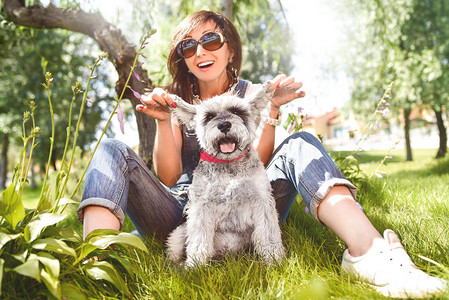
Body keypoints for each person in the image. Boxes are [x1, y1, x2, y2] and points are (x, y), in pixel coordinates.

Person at [77, 10, 447, 299]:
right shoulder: (175, 100)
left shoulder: (252, 92)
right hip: (184, 213)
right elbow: (171, 177)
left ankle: (370, 254)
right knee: (111, 148)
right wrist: (163, 121)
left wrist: (270, 112)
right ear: (184, 59)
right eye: (188, 47)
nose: (200, 51)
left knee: (301, 141)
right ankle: (92, 270)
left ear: (230, 49)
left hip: (251, 200)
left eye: (210, 39)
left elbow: (263, 161)